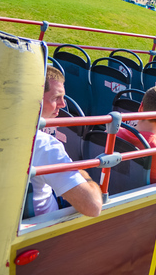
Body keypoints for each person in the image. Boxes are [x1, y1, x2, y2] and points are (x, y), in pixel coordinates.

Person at [30, 67, 102, 217]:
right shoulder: (45, 145)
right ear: (35, 97)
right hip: (41, 227)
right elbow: (93, 207)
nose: (63, 104)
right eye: (56, 97)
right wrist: (83, 173)